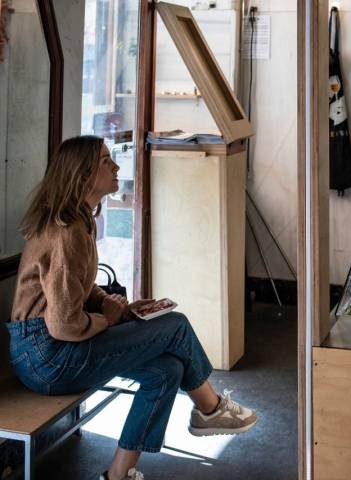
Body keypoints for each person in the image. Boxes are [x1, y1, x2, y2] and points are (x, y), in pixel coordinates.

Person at [5, 136, 257, 480]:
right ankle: (209, 409)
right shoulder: (65, 231)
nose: (116, 167)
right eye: (107, 161)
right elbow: (63, 325)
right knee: (176, 324)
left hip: (52, 351)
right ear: (82, 174)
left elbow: (70, 290)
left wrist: (116, 309)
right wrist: (105, 319)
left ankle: (119, 474)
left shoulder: (79, 221)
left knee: (167, 369)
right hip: (47, 358)